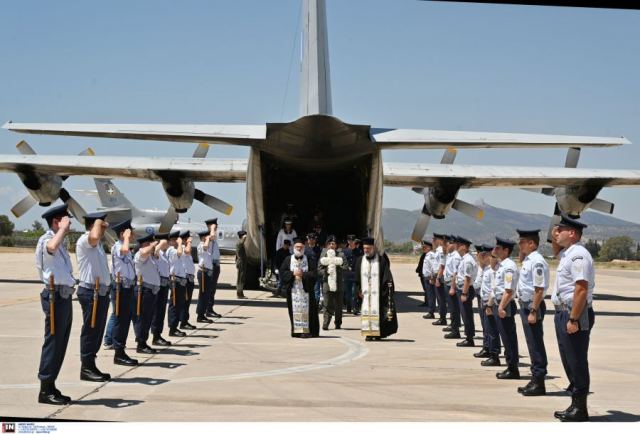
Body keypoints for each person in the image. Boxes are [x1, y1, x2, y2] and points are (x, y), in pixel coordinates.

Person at [551, 214, 594, 422]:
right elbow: (555, 250)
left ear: (573, 233)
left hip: (575, 313)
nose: (557, 233)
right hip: (563, 312)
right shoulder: (567, 253)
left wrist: (574, 319)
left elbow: (581, 289)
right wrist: (553, 235)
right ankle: (575, 404)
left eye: (560, 230)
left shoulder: (579, 255)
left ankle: (580, 408)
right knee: (569, 360)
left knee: (577, 361)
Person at [35, 204, 75, 404]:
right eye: (65, 219)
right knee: (53, 342)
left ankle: (51, 385)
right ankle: (45, 389)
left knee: (61, 342)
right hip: (55, 297)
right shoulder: (47, 240)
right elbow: (51, 247)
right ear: (56, 222)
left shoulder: (60, 241)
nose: (69, 223)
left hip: (64, 296)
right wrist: (61, 229)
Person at [76, 212, 112, 382]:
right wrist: (99, 222)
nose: (105, 226)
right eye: (101, 223)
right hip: (91, 292)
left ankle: (91, 365)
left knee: (97, 330)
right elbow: (95, 234)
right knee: (91, 330)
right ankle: (86, 367)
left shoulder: (96, 245)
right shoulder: (86, 240)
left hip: (100, 292)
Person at [515, 229, 550, 397]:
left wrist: (534, 310)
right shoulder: (529, 260)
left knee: (535, 343)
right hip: (527, 305)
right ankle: (535, 379)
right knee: (531, 343)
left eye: (522, 242)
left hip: (532, 306)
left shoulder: (537, 261)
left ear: (531, 244)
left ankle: (539, 382)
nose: (518, 244)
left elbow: (539, 289)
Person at [355, 238, 398, 341]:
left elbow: (387, 277)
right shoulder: (360, 260)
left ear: (373, 248)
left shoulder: (381, 261)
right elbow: (357, 278)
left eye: (368, 248)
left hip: (377, 294)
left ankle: (377, 333)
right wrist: (358, 290)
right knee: (366, 313)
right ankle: (369, 333)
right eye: (364, 248)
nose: (366, 250)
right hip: (365, 294)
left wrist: (387, 291)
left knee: (378, 314)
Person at [108, 220, 138, 366]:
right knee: (120, 320)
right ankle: (118, 352)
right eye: (129, 232)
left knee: (125, 320)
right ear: (122, 233)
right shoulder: (118, 247)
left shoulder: (124, 246)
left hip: (128, 288)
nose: (132, 235)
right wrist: (125, 237)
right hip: (120, 288)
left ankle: (121, 350)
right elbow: (124, 251)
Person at [279, 238, 320, 338]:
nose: (299, 248)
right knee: (294, 311)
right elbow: (282, 273)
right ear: (294, 247)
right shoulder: (288, 259)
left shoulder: (309, 259)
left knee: (309, 312)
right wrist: (293, 273)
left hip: (306, 291)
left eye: (301, 247)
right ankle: (296, 331)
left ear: (304, 248)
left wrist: (303, 274)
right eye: (297, 247)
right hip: (293, 291)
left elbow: (315, 274)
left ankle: (307, 331)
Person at [493, 236, 520, 380]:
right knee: (505, 336)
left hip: (506, 305)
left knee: (508, 338)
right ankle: (510, 366)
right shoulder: (502, 264)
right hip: (501, 303)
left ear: (506, 250)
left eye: (498, 248)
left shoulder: (509, 266)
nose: (495, 250)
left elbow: (509, 290)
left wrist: (502, 307)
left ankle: (513, 368)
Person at [475, 245, 502, 366]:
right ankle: (488, 349)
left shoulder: (494, 271)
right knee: (486, 328)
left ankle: (494, 354)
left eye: (490, 256)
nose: (489, 259)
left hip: (489, 303)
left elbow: (494, 289)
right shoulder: (486, 269)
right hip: (484, 301)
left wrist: (489, 305)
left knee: (492, 330)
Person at [133, 233, 161, 354]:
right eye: (150, 243)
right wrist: (154, 244)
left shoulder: (150, 257)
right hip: (144, 291)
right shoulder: (140, 254)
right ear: (145, 244)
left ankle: (144, 341)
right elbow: (144, 252)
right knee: (143, 318)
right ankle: (141, 343)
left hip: (151, 291)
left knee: (148, 318)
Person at [318, 235, 349, 330]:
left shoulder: (341, 255)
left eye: (333, 243)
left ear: (336, 245)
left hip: (338, 283)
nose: (332, 245)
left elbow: (346, 267)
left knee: (338, 305)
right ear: (327, 245)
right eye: (330, 243)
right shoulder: (323, 254)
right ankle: (326, 323)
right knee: (327, 304)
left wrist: (336, 268)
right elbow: (319, 269)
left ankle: (338, 323)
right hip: (327, 283)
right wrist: (326, 271)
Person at [454, 236, 477, 347]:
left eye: (458, 246)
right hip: (463, 288)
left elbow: (467, 278)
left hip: (465, 289)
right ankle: (469, 336)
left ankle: (469, 338)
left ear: (464, 247)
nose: (457, 248)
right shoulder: (465, 258)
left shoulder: (467, 260)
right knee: (465, 314)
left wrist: (464, 293)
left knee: (466, 314)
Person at [151, 232, 172, 346]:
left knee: (161, 311)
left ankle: (158, 334)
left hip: (164, 284)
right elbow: (153, 252)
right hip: (159, 284)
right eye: (166, 242)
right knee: (157, 311)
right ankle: (156, 335)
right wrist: (159, 245)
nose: (168, 244)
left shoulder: (163, 253)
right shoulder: (156, 252)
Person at [166, 230, 187, 337]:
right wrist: (179, 244)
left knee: (179, 304)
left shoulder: (177, 249)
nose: (178, 241)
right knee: (174, 303)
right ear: (171, 241)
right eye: (175, 240)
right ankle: (172, 328)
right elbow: (179, 253)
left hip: (180, 279)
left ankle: (175, 326)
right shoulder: (171, 250)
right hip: (175, 279)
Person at [443, 236, 461, 339]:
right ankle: (453, 326)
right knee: (451, 308)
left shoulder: (455, 256)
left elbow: (455, 273)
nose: (447, 245)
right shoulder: (450, 255)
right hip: (448, 283)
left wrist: (453, 287)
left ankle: (455, 331)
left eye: (449, 243)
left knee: (454, 309)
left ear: (454, 244)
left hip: (451, 284)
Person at [204, 218, 222, 318]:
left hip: (215, 265)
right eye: (214, 225)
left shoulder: (213, 237)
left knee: (213, 289)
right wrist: (212, 229)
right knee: (210, 289)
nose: (216, 227)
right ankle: (208, 309)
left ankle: (210, 308)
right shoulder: (208, 236)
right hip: (211, 266)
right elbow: (212, 236)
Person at [178, 231, 196, 330]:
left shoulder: (185, 248)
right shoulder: (184, 248)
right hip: (185, 278)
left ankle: (185, 321)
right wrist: (188, 242)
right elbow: (188, 251)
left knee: (187, 301)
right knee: (185, 301)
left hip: (189, 278)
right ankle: (183, 322)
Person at [430, 233, 447, 325]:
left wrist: (438, 278)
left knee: (441, 299)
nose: (432, 241)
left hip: (439, 276)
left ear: (439, 240)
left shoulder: (440, 251)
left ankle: (442, 318)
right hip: (437, 275)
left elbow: (442, 265)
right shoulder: (438, 250)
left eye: (434, 239)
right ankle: (442, 317)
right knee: (440, 299)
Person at [342, 235, 357, 314]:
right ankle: (348, 307)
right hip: (347, 274)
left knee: (354, 292)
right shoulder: (344, 251)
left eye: (352, 240)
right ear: (348, 241)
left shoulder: (358, 251)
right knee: (348, 293)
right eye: (349, 240)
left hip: (355, 274)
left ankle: (355, 308)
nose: (351, 242)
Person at [422, 240, 437, 318]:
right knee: (429, 295)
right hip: (427, 277)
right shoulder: (428, 254)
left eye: (424, 247)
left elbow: (433, 267)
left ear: (428, 247)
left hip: (429, 278)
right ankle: (431, 311)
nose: (422, 248)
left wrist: (432, 277)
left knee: (431, 295)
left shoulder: (431, 255)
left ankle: (431, 312)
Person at [415, 241, 430, 307]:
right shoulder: (424, 254)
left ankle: (428, 302)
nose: (423, 248)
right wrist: (418, 269)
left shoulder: (429, 255)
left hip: (426, 275)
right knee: (425, 289)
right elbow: (421, 264)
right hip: (422, 274)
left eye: (424, 247)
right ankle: (427, 302)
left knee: (427, 289)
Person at [235, 230, 248, 299]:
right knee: (240, 278)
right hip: (241, 262)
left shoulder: (240, 243)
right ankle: (239, 293)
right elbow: (241, 243)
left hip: (242, 262)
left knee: (242, 278)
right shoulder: (239, 243)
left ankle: (241, 293)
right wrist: (244, 238)